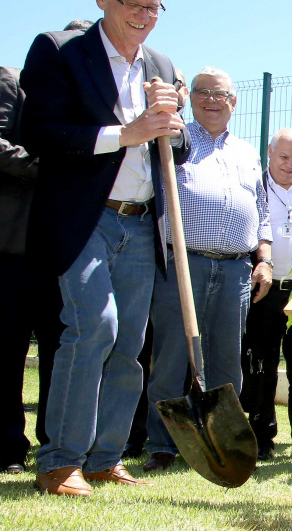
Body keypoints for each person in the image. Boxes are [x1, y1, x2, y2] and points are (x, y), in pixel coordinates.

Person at [21, 0, 189, 497]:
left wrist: (173, 128)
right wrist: (126, 133)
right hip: (84, 217)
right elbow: (38, 132)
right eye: (132, 4)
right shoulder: (60, 51)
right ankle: (60, 460)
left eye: (154, 7)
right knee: (95, 325)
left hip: (142, 221)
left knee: (130, 344)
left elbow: (177, 152)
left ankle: (104, 457)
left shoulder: (160, 65)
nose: (143, 16)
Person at [0, 19, 90, 474]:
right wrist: (48, 170)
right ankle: (7, 448)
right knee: (4, 348)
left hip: (59, 244)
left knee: (59, 346)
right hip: (0, 244)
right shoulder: (9, 79)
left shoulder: (91, 100)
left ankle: (55, 445)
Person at [143, 66, 271, 472]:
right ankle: (162, 444)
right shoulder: (175, 141)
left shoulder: (249, 153)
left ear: (234, 102)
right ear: (190, 98)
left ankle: (221, 443)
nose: (211, 100)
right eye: (202, 93)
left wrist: (263, 259)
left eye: (219, 94)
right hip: (183, 264)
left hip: (235, 270)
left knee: (227, 363)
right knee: (171, 359)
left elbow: (263, 212)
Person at [240, 128, 292, 463]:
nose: (290, 165)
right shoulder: (252, 188)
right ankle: (262, 438)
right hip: (265, 288)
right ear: (270, 153)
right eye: (284, 157)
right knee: (262, 364)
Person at [124, 65, 188, 460]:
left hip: (229, 267)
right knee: (159, 357)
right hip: (169, 255)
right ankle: (153, 441)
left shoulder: (180, 134)